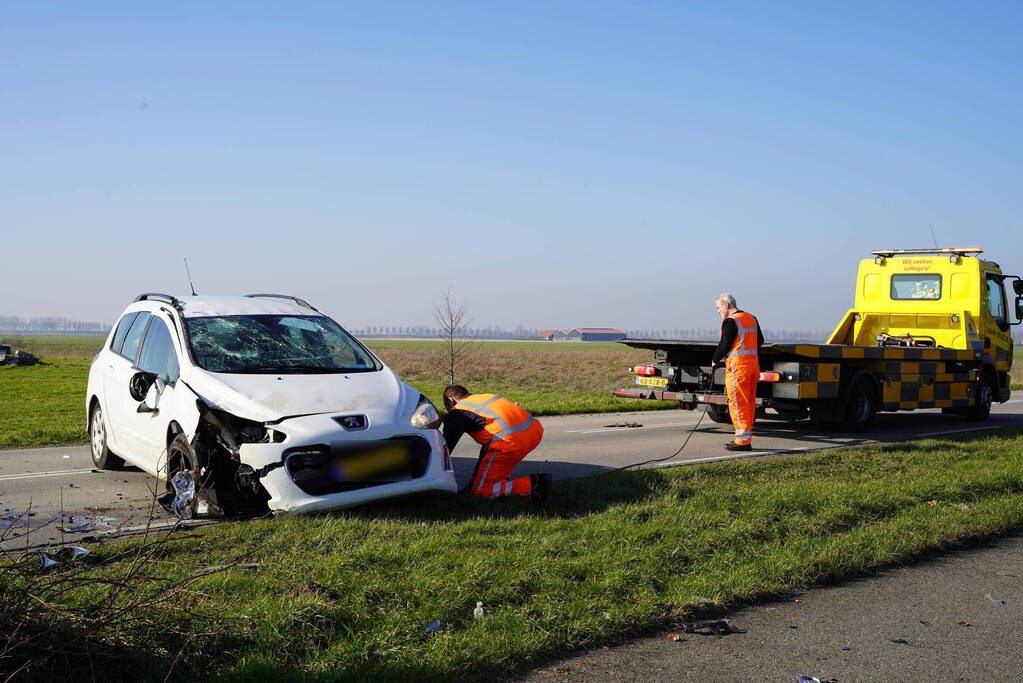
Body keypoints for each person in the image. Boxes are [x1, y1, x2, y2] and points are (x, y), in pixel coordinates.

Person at [441, 385, 552, 502]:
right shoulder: (485, 397)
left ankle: (533, 485)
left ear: (451, 400)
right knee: (490, 447)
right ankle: (493, 480)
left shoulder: (457, 412)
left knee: (482, 491)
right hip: (534, 430)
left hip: (510, 442)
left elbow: (446, 448)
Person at [711, 293, 764, 452]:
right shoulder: (751, 317)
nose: (717, 311)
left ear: (726, 305)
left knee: (737, 404)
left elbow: (724, 344)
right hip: (752, 366)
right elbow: (759, 340)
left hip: (737, 368)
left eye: (718, 307)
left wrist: (715, 359)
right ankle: (744, 439)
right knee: (748, 403)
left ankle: (742, 442)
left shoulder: (730, 321)